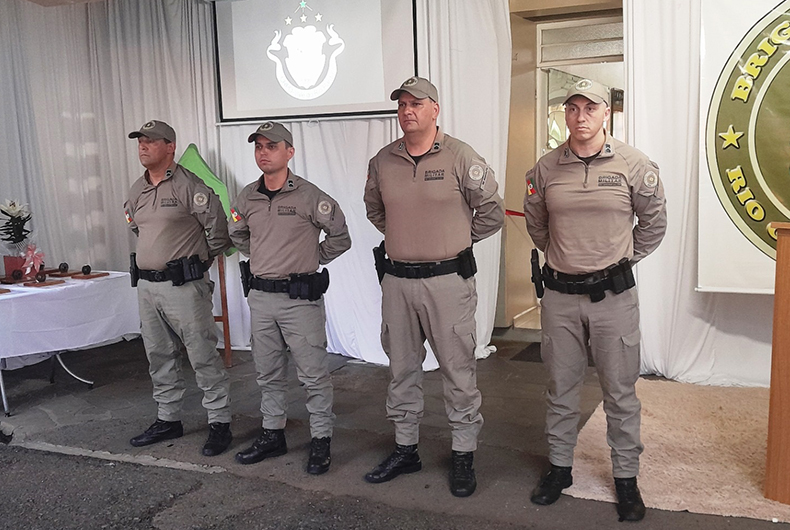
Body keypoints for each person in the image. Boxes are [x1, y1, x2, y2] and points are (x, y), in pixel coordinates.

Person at [523, 79, 667, 522]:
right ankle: (560, 468)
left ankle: (626, 479)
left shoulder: (634, 164)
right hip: (561, 298)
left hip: (613, 299)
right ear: (564, 115)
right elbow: (537, 226)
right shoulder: (544, 169)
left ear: (607, 113)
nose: (580, 116)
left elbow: (653, 224)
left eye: (590, 108)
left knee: (620, 393)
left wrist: (616, 262)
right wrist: (571, 260)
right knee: (560, 389)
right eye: (572, 108)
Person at [363, 76, 504, 497]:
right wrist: (410, 239)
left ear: (435, 109)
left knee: (458, 371)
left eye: (417, 104)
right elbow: (375, 209)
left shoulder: (461, 156)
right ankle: (406, 449)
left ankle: (463, 453)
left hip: (448, 283)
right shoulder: (383, 160)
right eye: (402, 104)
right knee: (401, 370)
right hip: (398, 282)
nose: (408, 111)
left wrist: (454, 240)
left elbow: (492, 213)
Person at [228, 122, 351, 475]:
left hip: (300, 300)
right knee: (267, 372)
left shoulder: (310, 196)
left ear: (289, 152)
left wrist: (310, 258)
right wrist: (266, 257)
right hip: (262, 298)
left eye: (271, 146)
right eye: (258, 146)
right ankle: (272, 433)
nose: (263, 152)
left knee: (313, 375)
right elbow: (237, 233)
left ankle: (321, 440)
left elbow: (340, 237)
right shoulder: (246, 196)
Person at [123, 120, 233, 457]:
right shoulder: (137, 189)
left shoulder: (190, 186)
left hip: (184, 287)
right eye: (140, 141)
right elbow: (136, 226)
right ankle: (168, 418)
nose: (143, 146)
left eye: (151, 141)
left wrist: (196, 262)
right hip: (147, 286)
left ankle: (219, 422)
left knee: (201, 354)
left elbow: (218, 230)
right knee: (158, 356)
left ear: (170, 147)